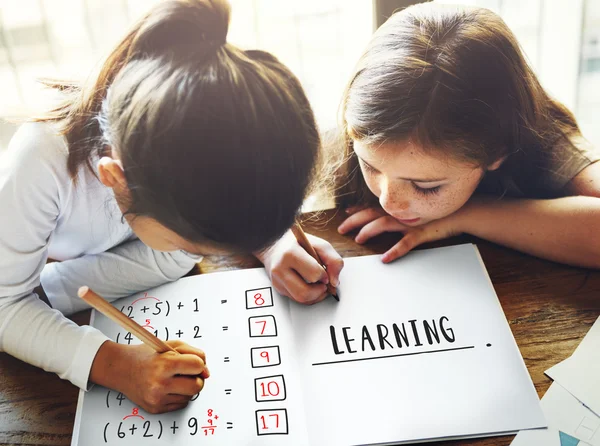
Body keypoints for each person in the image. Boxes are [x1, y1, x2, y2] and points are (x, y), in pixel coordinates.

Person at [0, 0, 341, 414]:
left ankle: (54, 291)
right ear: (115, 179)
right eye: (200, 244)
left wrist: (271, 243)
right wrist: (116, 364)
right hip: (21, 267)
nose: (211, 252)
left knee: (173, 259)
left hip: (81, 266)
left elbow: (232, 178)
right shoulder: (41, 162)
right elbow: (5, 307)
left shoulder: (216, 109)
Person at [328, 3, 600, 268]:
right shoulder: (349, 130)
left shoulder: (546, 141)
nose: (390, 202)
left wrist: (466, 215)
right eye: (370, 166)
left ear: (497, 151)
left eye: (426, 186)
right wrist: (284, 243)